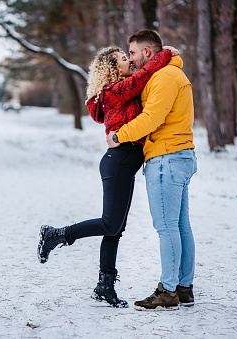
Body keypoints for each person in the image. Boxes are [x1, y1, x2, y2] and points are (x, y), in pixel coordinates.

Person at [37, 45, 176, 308]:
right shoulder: (114, 91)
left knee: (116, 230)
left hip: (124, 162)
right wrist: (165, 53)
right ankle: (56, 235)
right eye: (124, 59)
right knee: (110, 224)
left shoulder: (120, 90)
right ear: (113, 68)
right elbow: (143, 75)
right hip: (119, 161)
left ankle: (105, 286)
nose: (129, 61)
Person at [106, 29, 198, 311]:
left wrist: (119, 135)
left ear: (147, 52)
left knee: (167, 227)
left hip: (166, 157)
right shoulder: (168, 73)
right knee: (180, 226)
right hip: (178, 154)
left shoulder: (164, 77)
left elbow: (151, 117)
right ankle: (183, 287)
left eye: (132, 52)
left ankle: (168, 290)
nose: (130, 59)